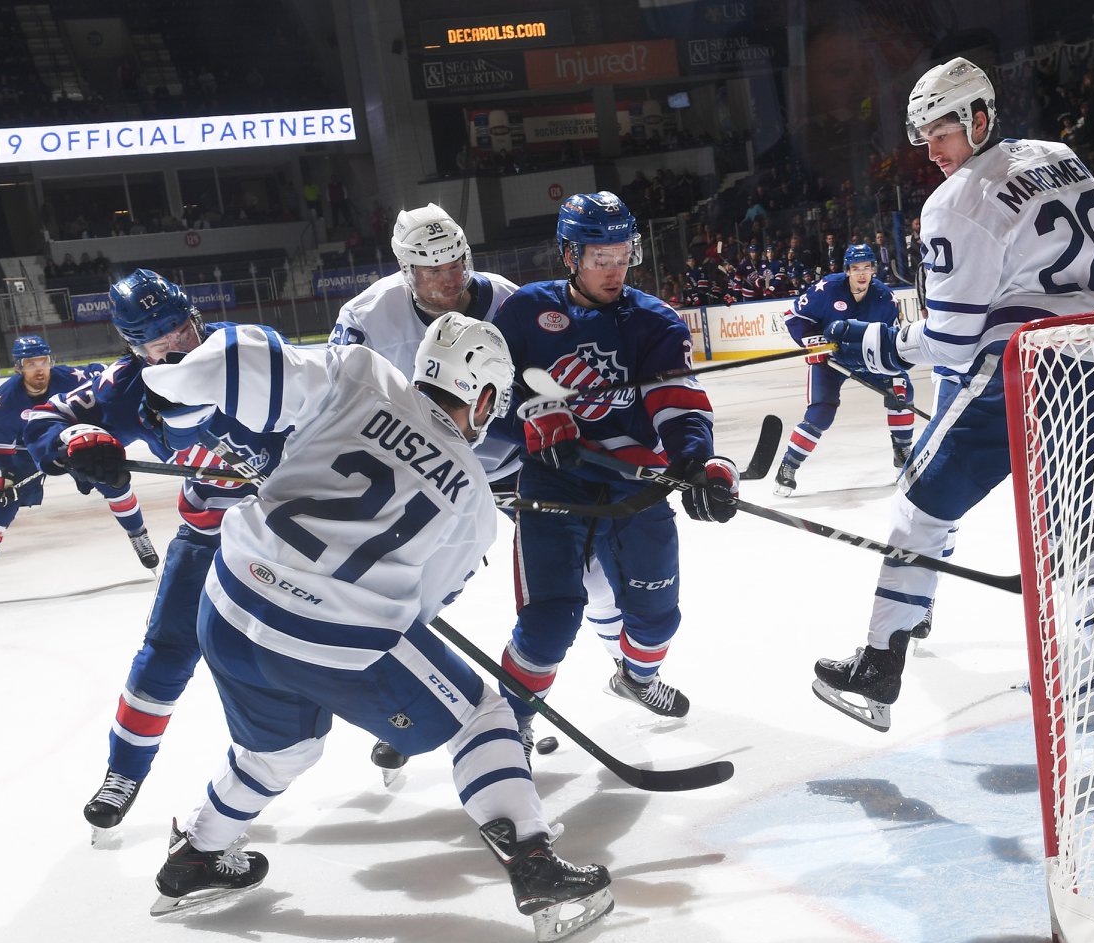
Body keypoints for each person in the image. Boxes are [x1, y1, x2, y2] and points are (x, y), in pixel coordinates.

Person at [137, 315, 613, 942]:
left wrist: (168, 387)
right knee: (482, 717)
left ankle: (197, 854)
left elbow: (250, 360)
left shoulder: (361, 372)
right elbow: (417, 609)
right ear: (487, 396)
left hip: (228, 602)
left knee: (280, 751)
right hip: (333, 634)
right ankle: (532, 859)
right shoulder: (472, 494)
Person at [815, 57, 1094, 731]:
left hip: (1020, 374)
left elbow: (956, 343)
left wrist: (876, 346)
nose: (931, 150)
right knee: (1086, 523)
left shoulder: (955, 201)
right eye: (924, 136)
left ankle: (881, 663)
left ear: (979, 117)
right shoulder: (1059, 156)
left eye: (942, 131)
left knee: (920, 505)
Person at [329, 202, 622, 773]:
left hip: (511, 463)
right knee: (407, 597)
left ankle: (629, 669)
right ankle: (410, 711)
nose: (450, 278)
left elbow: (551, 379)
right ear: (405, 269)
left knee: (588, 569)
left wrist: (554, 412)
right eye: (433, 269)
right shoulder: (365, 316)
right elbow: (338, 395)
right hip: (425, 470)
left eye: (457, 262)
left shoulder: (509, 300)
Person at [24, 270, 288, 843]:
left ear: (194, 315)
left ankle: (404, 722)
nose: (172, 344)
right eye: (153, 338)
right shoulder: (126, 384)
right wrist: (75, 443)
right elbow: (43, 421)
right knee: (167, 651)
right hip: (209, 535)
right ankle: (123, 775)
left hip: (295, 534)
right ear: (132, 345)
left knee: (355, 632)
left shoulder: (249, 350)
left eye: (176, 327)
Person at [491, 191, 740, 731]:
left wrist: (699, 462)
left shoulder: (656, 322)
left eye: (623, 255)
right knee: (549, 619)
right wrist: (530, 421)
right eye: (599, 258)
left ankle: (635, 679)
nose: (613, 269)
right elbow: (486, 394)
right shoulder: (526, 311)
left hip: (634, 486)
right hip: (553, 483)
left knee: (657, 618)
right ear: (569, 254)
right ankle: (510, 729)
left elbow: (676, 400)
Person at [0, 336, 157, 603]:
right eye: (30, 363)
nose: (39, 369)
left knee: (114, 480)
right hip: (25, 452)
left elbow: (103, 377)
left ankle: (138, 536)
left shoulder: (72, 378)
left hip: (70, 439)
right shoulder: (5, 400)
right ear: (18, 367)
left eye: (44, 361)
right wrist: (0, 477)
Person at [772, 242, 911, 496]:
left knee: (901, 392)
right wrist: (813, 343)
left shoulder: (885, 298)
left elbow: (892, 339)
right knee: (821, 412)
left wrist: (897, 372)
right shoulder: (827, 289)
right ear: (847, 270)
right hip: (832, 360)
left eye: (866, 268)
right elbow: (793, 317)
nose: (861, 274)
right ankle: (788, 466)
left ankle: (902, 454)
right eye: (856, 268)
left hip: (868, 356)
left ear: (873, 270)